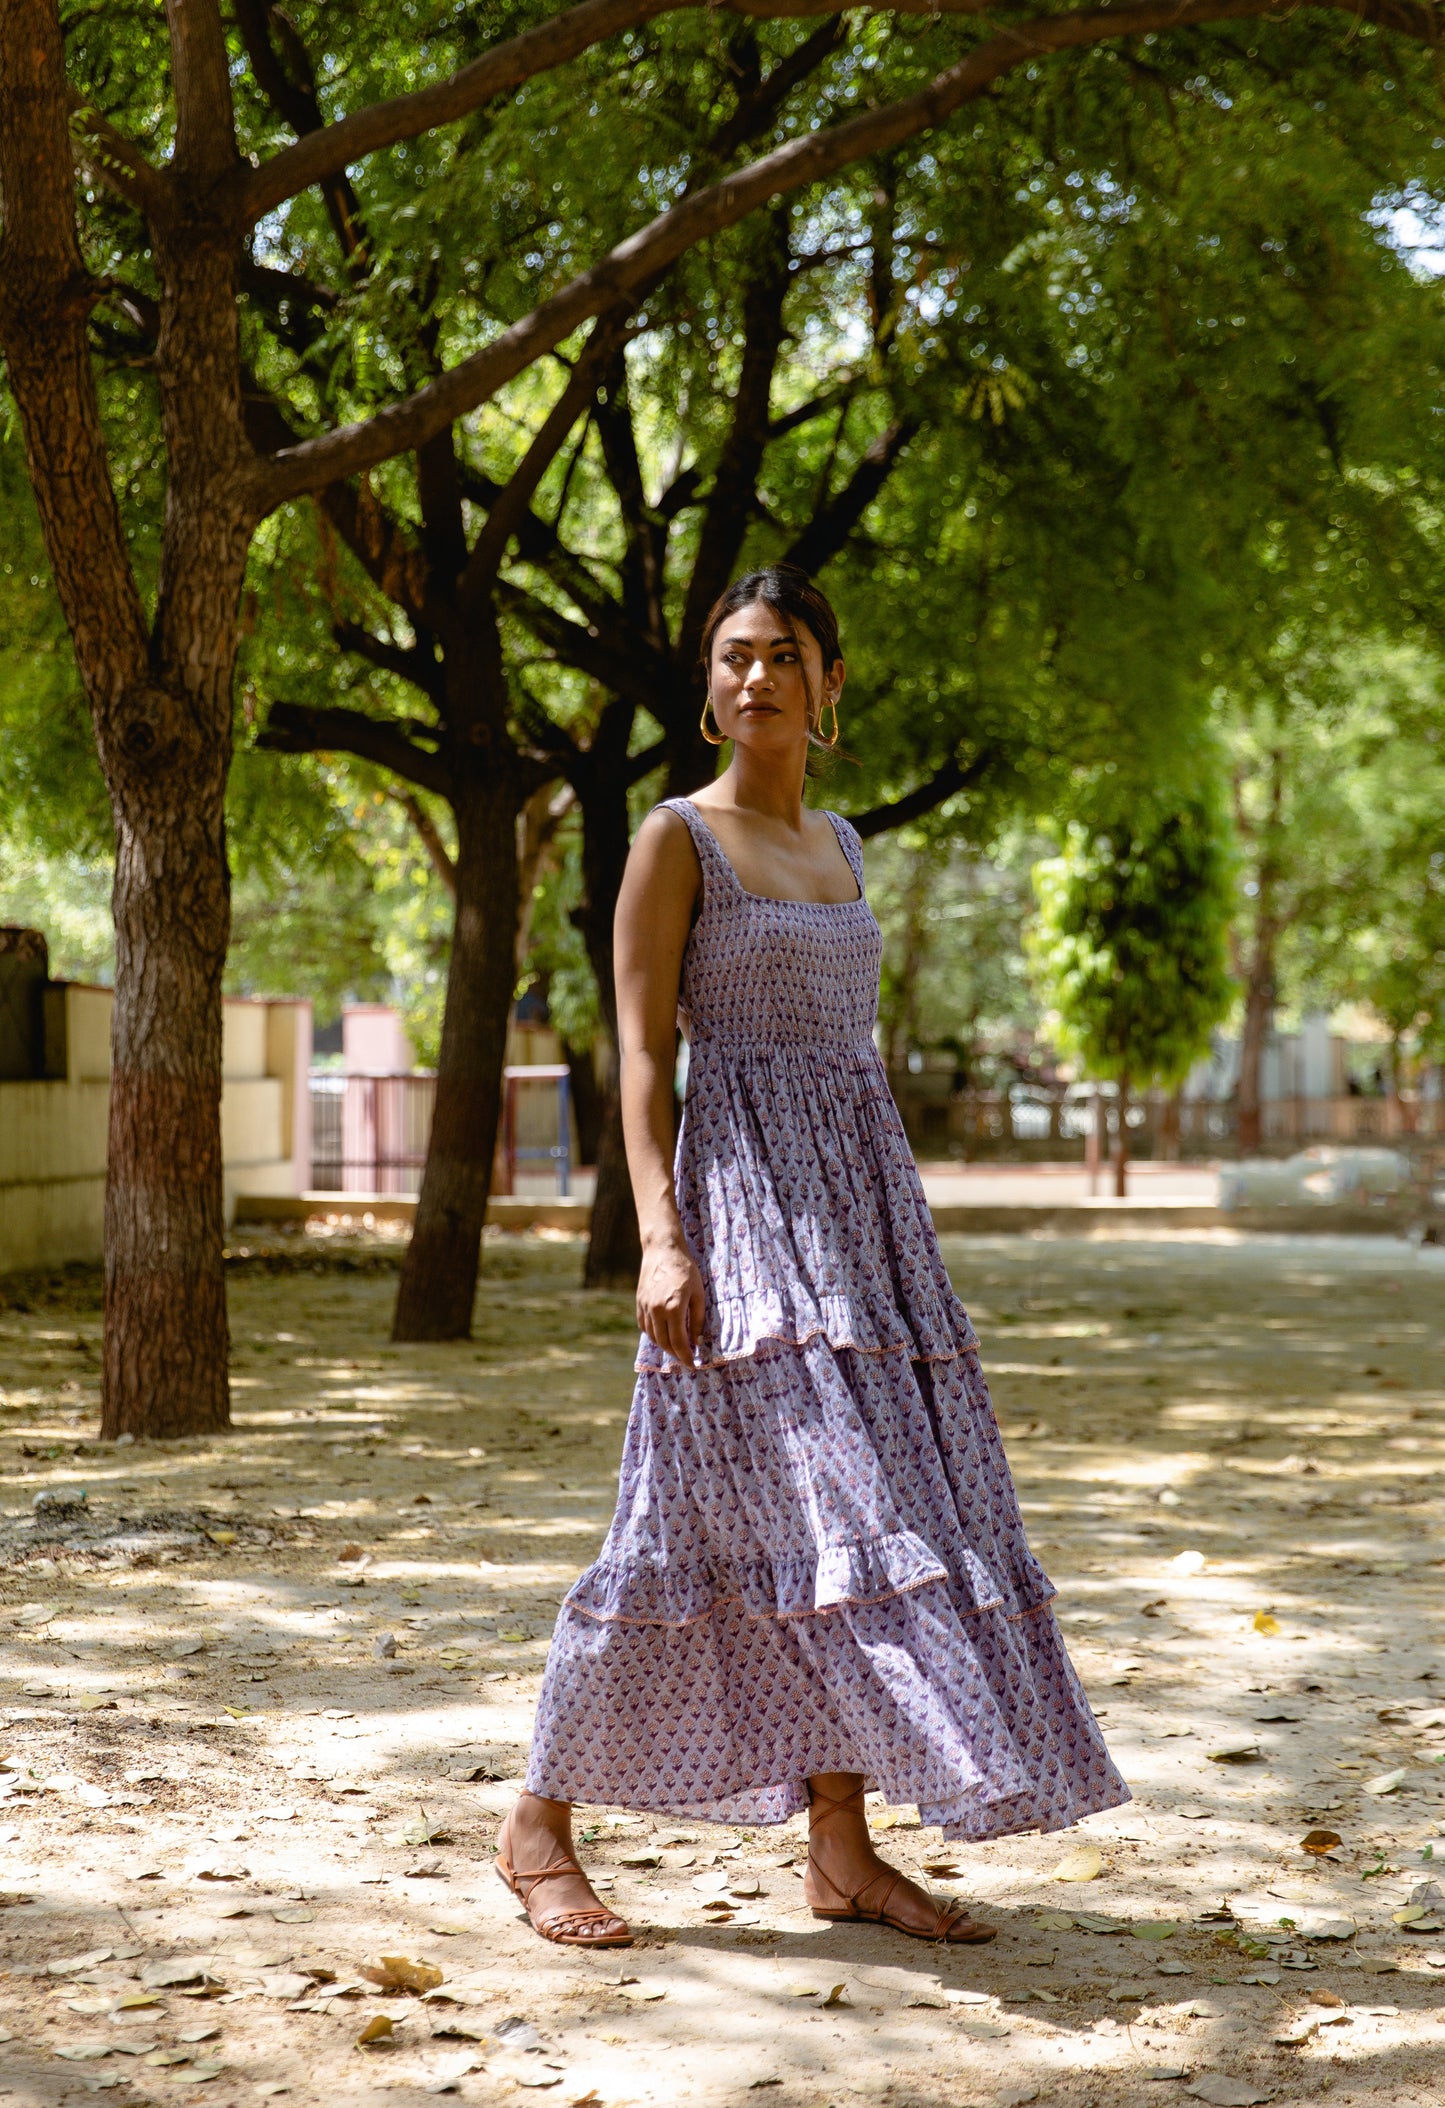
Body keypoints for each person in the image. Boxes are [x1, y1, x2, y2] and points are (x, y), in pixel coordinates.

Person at [496, 565, 1128, 1948]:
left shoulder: (841, 842)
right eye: (732, 658)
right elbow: (643, 1058)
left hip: (864, 1230)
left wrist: (892, 1237)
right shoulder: (676, 838)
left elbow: (853, 1058)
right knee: (682, 1521)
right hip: (738, 1222)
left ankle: (839, 1851)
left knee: (851, 1529)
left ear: (828, 682)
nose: (755, 678)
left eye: (784, 656)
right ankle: (537, 1822)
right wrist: (663, 1240)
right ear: (709, 686)